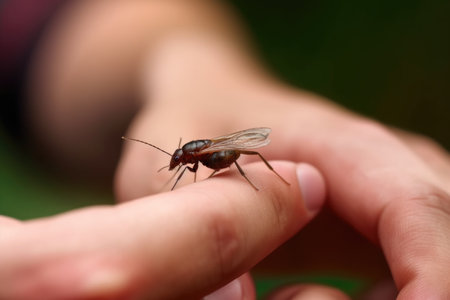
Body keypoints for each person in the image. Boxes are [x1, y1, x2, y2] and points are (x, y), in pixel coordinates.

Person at [1, 0, 449, 299]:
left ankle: (266, 178)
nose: (178, 162)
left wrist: (188, 61)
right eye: (178, 159)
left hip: (226, 149)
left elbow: (41, 22)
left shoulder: (207, 153)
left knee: (240, 159)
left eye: (179, 158)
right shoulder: (189, 158)